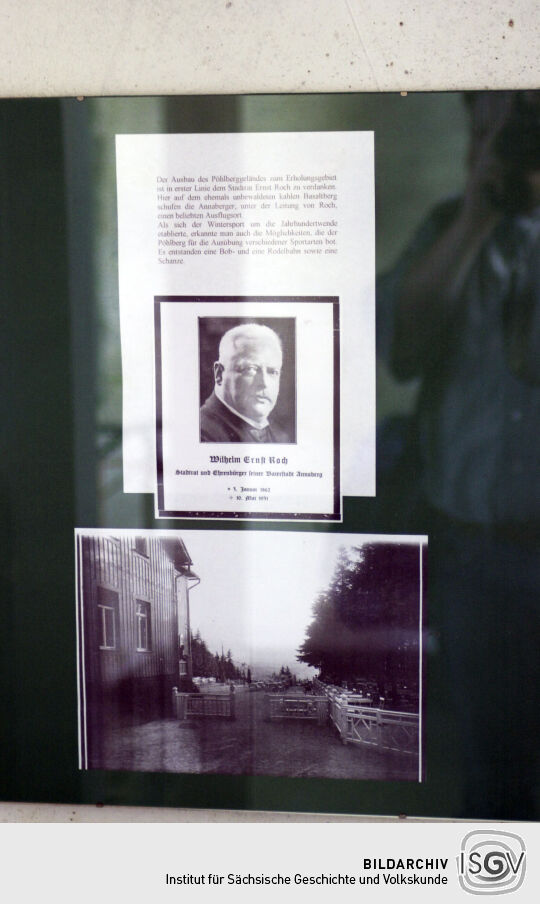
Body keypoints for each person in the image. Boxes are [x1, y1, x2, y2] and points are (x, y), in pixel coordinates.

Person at [378, 91, 540, 818]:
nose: (503, 150)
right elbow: (400, 351)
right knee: (493, 773)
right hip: (475, 559)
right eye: (487, 134)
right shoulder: (451, 229)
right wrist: (479, 212)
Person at [200, 322, 291, 443]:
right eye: (250, 369)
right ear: (219, 374)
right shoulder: (201, 435)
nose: (264, 383)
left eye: (272, 372)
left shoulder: (281, 438)